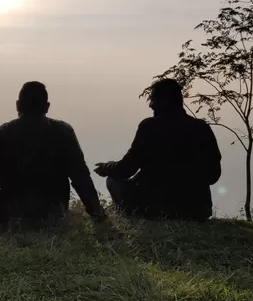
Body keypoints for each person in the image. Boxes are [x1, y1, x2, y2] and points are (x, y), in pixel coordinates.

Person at [0, 81, 106, 232]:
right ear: (47, 106)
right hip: (53, 217)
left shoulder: (1, 134)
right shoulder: (64, 131)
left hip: (8, 219)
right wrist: (98, 215)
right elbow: (81, 177)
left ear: (18, 105)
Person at [94, 78, 222, 221]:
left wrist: (107, 166)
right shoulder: (202, 128)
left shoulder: (149, 127)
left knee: (113, 180)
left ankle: (126, 214)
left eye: (153, 100)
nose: (150, 105)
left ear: (165, 101)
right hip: (198, 210)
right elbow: (213, 176)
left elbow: (125, 170)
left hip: (155, 210)